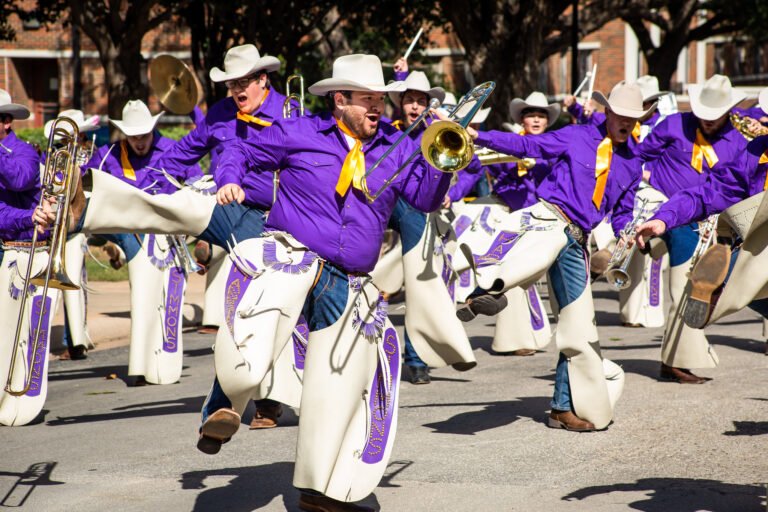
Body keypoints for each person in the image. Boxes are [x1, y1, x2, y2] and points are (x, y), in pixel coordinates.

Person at [37, 54, 451, 512]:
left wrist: (441, 158)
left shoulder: (397, 144)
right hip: (292, 256)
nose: (378, 107)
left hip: (349, 279)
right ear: (340, 99)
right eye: (368, 99)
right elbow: (239, 148)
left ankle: (321, 489)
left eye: (381, 99)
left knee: (336, 388)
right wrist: (229, 179)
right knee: (252, 343)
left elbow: (425, 199)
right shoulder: (302, 133)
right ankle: (224, 406)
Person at [450, 82, 651, 432]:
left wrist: (627, 232)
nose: (626, 123)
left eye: (633, 119)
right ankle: (485, 289)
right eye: (621, 115)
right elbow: (526, 145)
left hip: (577, 240)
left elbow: (622, 210)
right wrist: (478, 136)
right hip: (548, 219)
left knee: (579, 326)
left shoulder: (633, 162)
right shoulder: (575, 136)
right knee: (525, 257)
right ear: (607, 112)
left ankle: (561, 407)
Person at [158, 43, 301, 429]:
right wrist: (137, 178)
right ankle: (237, 405)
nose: (238, 90)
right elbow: (180, 155)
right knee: (241, 308)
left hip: (280, 219)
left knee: (266, 310)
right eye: (231, 83)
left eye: (245, 82)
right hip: (234, 216)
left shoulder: (290, 112)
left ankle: (267, 401)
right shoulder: (221, 113)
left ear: (262, 80)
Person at [632, 74, 747, 383]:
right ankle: (678, 360)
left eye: (715, 115)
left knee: (696, 288)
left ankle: (676, 358)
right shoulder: (672, 125)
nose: (707, 121)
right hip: (663, 213)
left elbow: (731, 188)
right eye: (703, 114)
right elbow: (636, 156)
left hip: (708, 222)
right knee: (685, 285)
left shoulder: (739, 142)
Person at [84, 99, 201, 386]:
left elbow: (198, 181)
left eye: (144, 135)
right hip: (128, 232)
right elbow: (85, 184)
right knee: (142, 300)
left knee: (169, 301)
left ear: (153, 130)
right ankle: (139, 365)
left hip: (167, 235)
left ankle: (163, 360)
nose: (138, 142)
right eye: (133, 136)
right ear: (125, 134)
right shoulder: (108, 153)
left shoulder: (173, 150)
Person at [373, 63, 476, 384]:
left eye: (421, 100)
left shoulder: (440, 127)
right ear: (400, 103)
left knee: (420, 278)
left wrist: (451, 191)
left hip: (417, 207)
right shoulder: (388, 127)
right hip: (382, 201)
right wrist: (400, 78)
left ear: (430, 104)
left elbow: (470, 168)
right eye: (408, 99)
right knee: (358, 271)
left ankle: (417, 358)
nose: (415, 106)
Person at [447, 91, 560, 356]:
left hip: (542, 217)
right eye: (530, 114)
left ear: (547, 121)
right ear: (522, 119)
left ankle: (483, 301)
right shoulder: (510, 142)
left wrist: (539, 165)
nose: (535, 119)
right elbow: (476, 167)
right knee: (501, 265)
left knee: (527, 276)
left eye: (540, 115)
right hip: (507, 214)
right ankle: (513, 338)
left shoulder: (555, 144)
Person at [0, 89, 62, 426]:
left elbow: (20, 179)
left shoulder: (23, 152)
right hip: (8, 248)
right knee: (3, 332)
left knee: (29, 333)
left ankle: (22, 400)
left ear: (6, 122)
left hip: (32, 251)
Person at [43, 109, 101, 360]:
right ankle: (57, 340)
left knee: (75, 285)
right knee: (57, 287)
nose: (83, 143)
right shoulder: (55, 158)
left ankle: (76, 340)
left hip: (78, 226)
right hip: (56, 227)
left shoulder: (92, 159)